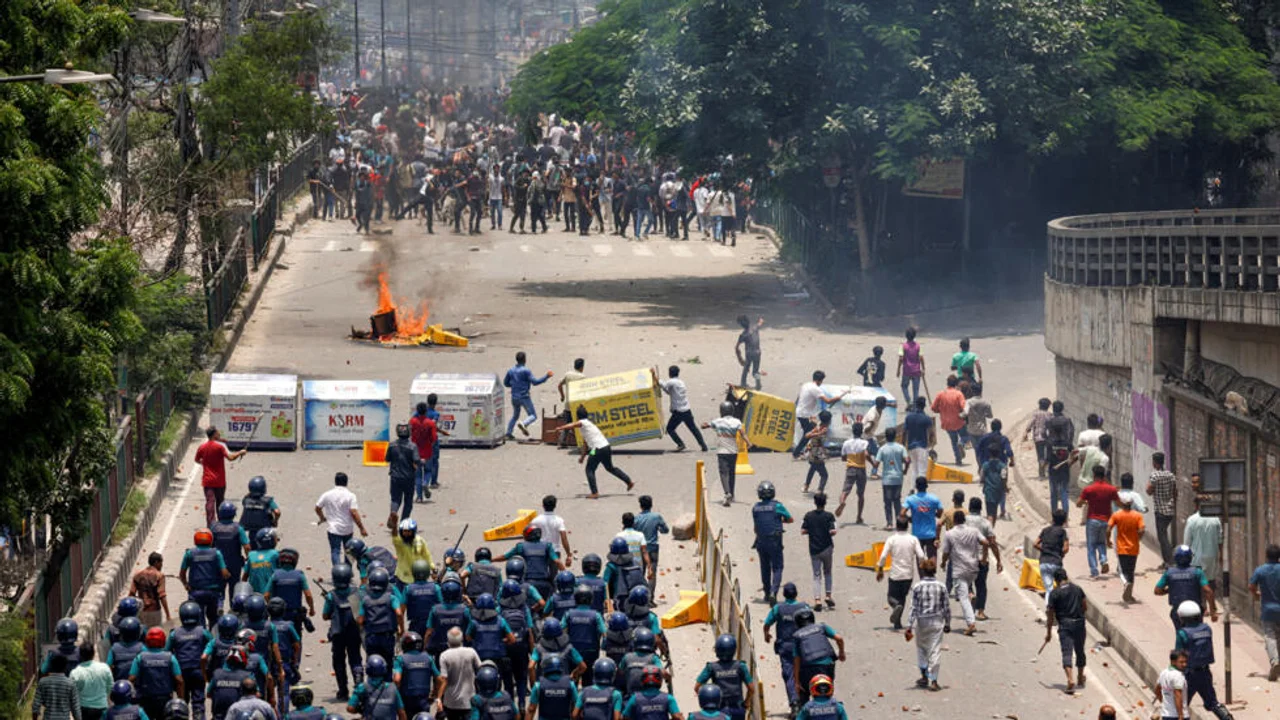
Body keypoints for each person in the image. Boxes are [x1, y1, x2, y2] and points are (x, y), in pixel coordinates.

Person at [558, 406, 634, 498]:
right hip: (606, 447)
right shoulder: (588, 425)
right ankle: (629, 482)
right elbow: (586, 444)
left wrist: (561, 427)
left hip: (596, 449)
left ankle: (594, 493)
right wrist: (582, 457)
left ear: (577, 416)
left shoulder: (583, 422)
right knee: (610, 468)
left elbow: (573, 425)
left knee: (589, 469)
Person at [1175, 601, 1234, 719]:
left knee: (1180, 705)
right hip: (1205, 673)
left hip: (1189, 675)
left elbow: (1178, 657)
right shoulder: (1207, 629)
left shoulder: (1182, 634)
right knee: (1212, 702)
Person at [939, 510, 989, 636]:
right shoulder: (974, 531)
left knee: (963, 598)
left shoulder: (950, 534)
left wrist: (943, 563)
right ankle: (972, 597)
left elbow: (945, 552)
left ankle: (971, 623)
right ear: (964, 520)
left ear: (954, 521)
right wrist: (984, 558)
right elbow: (986, 542)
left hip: (959, 570)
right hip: (973, 568)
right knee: (967, 591)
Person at [903, 559, 947, 691]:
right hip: (937, 621)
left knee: (922, 648)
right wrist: (948, 622)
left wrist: (909, 626)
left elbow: (913, 608)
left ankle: (923, 676)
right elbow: (946, 607)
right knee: (935, 650)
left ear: (922, 571)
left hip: (922, 622)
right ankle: (933, 680)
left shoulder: (917, 587)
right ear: (934, 571)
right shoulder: (941, 586)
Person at [762, 584, 807, 708]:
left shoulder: (778, 608)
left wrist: (766, 634)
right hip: (803, 647)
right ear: (796, 594)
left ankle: (794, 703)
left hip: (786, 648)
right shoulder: (804, 607)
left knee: (789, 675)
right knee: (802, 673)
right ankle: (804, 702)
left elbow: (767, 624)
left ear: (784, 595)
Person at [1044, 567, 1088, 693]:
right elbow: (1085, 606)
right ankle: (1080, 677)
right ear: (1066, 577)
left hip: (1065, 625)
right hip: (1079, 623)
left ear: (1056, 580)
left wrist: (1048, 633)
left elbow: (1050, 613)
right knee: (1080, 650)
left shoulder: (1054, 593)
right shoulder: (1077, 589)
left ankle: (1070, 679)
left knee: (1067, 652)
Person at [323, 564, 363, 702]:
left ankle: (343, 691)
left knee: (339, 662)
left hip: (337, 634)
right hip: (354, 632)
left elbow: (325, 616)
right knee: (356, 658)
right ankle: (359, 684)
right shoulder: (355, 593)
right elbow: (359, 615)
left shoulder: (331, 596)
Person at [876, 517, 924, 630]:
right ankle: (897, 623)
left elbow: (883, 556)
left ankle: (895, 607)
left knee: (891, 597)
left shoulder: (891, 539)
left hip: (895, 574)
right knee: (902, 598)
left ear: (896, 526)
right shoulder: (913, 539)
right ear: (908, 526)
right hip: (908, 575)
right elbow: (921, 555)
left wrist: (880, 570)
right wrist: (922, 565)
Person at [790, 607, 845, 707]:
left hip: (808, 670)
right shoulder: (821, 627)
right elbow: (839, 638)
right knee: (825, 690)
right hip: (827, 667)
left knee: (804, 694)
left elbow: (796, 660)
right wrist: (841, 653)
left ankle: (804, 712)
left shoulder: (797, 636)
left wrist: (797, 683)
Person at [693, 635, 753, 720]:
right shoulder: (741, 666)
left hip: (719, 711)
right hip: (738, 709)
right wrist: (746, 702)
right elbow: (751, 689)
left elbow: (697, 687)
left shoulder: (711, 667)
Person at [314, 472, 368, 566]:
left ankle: (338, 572)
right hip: (347, 529)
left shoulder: (327, 494)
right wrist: (361, 528)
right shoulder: (351, 496)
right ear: (346, 482)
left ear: (335, 482)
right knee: (349, 551)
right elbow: (354, 513)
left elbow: (317, 508)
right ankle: (347, 572)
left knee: (335, 551)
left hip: (333, 529)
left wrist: (322, 518)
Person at [196, 427, 246, 527]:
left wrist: (205, 464)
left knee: (210, 502)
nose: (219, 434)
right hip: (220, 481)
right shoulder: (220, 446)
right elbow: (230, 457)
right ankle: (221, 523)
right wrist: (240, 452)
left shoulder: (202, 447)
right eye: (218, 433)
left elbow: (197, 460)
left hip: (207, 480)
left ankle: (210, 524)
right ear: (214, 434)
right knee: (220, 502)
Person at [752, 482, 793, 605]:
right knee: (777, 567)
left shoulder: (755, 508)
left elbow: (756, 527)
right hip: (774, 541)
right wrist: (781, 520)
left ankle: (766, 592)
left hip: (761, 541)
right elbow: (790, 519)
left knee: (765, 567)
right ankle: (773, 592)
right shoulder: (777, 506)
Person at [129, 628, 183, 719]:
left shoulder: (140, 657)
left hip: (145, 699)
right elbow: (179, 680)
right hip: (165, 699)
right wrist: (181, 699)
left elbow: (131, 679)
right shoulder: (170, 657)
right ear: (163, 641)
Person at [1156, 545, 1215, 629]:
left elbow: (1157, 591)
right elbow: (1208, 591)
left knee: (1181, 635)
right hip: (1195, 611)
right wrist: (1213, 611)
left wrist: (1168, 590)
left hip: (1178, 612)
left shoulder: (1169, 573)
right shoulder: (1197, 572)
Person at [180, 529, 230, 627]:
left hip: (195, 592)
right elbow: (224, 573)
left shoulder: (189, 553)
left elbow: (182, 574)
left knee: (198, 620)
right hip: (213, 592)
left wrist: (186, 585)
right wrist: (228, 575)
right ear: (210, 540)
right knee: (214, 620)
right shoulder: (217, 553)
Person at [166, 603, 208, 717]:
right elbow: (212, 646)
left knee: (182, 703)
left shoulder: (174, 634)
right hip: (198, 671)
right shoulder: (202, 632)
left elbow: (167, 652)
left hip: (181, 672)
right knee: (198, 702)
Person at [1076, 465, 1119, 577]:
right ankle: (1103, 560)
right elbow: (1118, 503)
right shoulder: (1111, 489)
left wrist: (1085, 502)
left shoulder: (1089, 489)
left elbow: (1078, 503)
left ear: (1094, 475)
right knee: (1102, 543)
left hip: (1092, 520)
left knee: (1091, 546)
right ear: (1104, 475)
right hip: (1106, 520)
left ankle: (1094, 571)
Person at [1184, 496, 1223, 618]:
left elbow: (1187, 542)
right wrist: (1220, 555)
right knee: (1210, 581)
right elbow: (1220, 539)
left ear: (1196, 506)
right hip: (1211, 555)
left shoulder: (1192, 520)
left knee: (1198, 583)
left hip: (1196, 557)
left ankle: (1203, 607)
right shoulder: (1216, 520)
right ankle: (1212, 606)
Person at [792, 372, 847, 459]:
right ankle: (798, 452)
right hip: (805, 414)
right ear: (820, 381)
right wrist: (836, 398)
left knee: (811, 430)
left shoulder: (806, 385)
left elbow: (799, 397)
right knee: (810, 433)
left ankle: (805, 450)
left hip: (801, 411)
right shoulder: (816, 389)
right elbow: (827, 401)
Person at [703, 402, 747, 506]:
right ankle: (732, 493)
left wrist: (705, 425)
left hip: (722, 452)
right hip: (733, 451)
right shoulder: (737, 421)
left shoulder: (718, 421)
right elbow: (743, 433)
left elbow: (706, 426)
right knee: (732, 473)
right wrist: (749, 443)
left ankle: (727, 493)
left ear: (721, 411)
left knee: (723, 473)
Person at [656, 366, 708, 453]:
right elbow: (669, 392)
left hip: (679, 411)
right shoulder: (681, 382)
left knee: (670, 429)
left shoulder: (671, 382)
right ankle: (703, 445)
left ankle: (680, 444)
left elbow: (664, 385)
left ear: (670, 373)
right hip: (687, 410)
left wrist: (657, 378)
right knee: (693, 428)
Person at [1248, 543, 1280, 681]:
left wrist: (1256, 594)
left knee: (1270, 636)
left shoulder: (1260, 570)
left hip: (1268, 610)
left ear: (1266, 556)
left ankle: (1275, 661)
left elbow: (1251, 586)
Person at [800, 493, 837, 610]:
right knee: (828, 572)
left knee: (816, 575)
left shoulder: (808, 516)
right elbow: (833, 531)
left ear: (815, 502)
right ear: (825, 503)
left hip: (814, 549)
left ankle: (817, 599)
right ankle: (828, 595)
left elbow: (803, 530)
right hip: (827, 548)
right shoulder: (829, 516)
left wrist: (812, 531)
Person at [210, 502, 250, 607]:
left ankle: (219, 606)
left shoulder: (214, 527)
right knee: (234, 588)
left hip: (218, 564)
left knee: (219, 588)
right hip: (235, 563)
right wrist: (248, 558)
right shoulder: (238, 528)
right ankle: (234, 609)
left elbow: (209, 545)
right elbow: (246, 546)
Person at [504, 352, 552, 440]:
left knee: (515, 415)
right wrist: (546, 377)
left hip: (514, 397)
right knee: (533, 415)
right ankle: (524, 424)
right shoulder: (526, 371)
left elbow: (506, 383)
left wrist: (515, 385)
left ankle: (508, 432)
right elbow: (535, 382)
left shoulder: (511, 370)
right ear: (525, 360)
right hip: (524, 396)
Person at [437, 628, 481, 720]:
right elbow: (480, 670)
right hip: (469, 700)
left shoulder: (444, 655)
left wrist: (439, 698)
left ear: (448, 640)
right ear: (461, 639)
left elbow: (444, 680)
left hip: (450, 702)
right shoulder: (471, 652)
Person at [1109, 493, 1145, 603]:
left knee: (1122, 570)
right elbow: (1142, 530)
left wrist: (1107, 540)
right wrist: (1138, 539)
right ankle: (1129, 595)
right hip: (1133, 548)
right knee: (1131, 570)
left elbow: (1108, 529)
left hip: (1121, 548)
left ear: (1122, 503)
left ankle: (1125, 583)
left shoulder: (1117, 515)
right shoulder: (1138, 516)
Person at [393, 632, 439, 719]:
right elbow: (439, 678)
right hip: (423, 699)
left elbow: (397, 680)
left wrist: (396, 696)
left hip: (407, 700)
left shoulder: (400, 659)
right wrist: (436, 693)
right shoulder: (428, 658)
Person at [347, 654, 405, 720]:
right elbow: (402, 713)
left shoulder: (362, 687)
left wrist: (361, 710)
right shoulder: (393, 688)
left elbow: (350, 708)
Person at [385, 424, 421, 530]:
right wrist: (421, 462)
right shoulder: (412, 446)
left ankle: (393, 512)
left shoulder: (392, 445)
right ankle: (403, 522)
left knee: (395, 499)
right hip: (409, 478)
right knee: (408, 501)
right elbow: (416, 460)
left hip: (395, 477)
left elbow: (387, 459)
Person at [1146, 452, 1178, 567]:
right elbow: (1175, 493)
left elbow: (1148, 491)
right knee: (1164, 535)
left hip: (1160, 511)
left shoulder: (1154, 476)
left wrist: (1151, 486)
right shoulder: (1171, 475)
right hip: (1170, 510)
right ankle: (1167, 561)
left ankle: (1169, 561)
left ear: (1155, 462)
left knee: (1162, 537)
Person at [633, 496, 669, 596]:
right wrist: (659, 529)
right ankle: (650, 598)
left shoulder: (636, 518)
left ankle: (640, 596)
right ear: (651, 505)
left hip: (641, 549)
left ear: (640, 506)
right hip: (653, 549)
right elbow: (666, 530)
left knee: (641, 573)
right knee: (652, 574)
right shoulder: (657, 517)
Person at [873, 428, 908, 530]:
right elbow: (907, 460)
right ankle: (899, 523)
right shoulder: (901, 448)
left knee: (887, 502)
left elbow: (876, 464)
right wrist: (905, 470)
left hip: (887, 479)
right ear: (895, 436)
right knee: (897, 501)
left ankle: (889, 524)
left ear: (886, 436)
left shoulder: (882, 449)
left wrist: (873, 464)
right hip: (898, 478)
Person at [1035, 509, 1071, 607]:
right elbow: (1066, 548)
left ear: (1053, 519)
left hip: (1043, 562)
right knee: (1062, 588)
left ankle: (1049, 609)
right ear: (1064, 521)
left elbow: (1035, 544)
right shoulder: (1063, 532)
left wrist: (1044, 550)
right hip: (1056, 562)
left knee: (1049, 588)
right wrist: (1060, 554)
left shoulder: (1045, 530)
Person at [835, 422, 868, 522]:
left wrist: (850, 458)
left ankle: (842, 501)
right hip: (861, 469)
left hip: (850, 468)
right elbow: (866, 454)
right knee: (861, 495)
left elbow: (843, 458)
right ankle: (859, 516)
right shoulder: (864, 443)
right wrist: (873, 462)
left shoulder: (846, 443)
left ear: (852, 431)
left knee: (845, 490)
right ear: (861, 431)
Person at [931, 377, 968, 465]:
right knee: (966, 436)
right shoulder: (959, 394)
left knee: (953, 441)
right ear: (956, 384)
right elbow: (964, 407)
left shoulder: (941, 394)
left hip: (946, 422)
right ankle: (962, 443)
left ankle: (958, 459)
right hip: (958, 421)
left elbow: (933, 408)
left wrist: (940, 410)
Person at [902, 477, 942, 558]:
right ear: (926, 486)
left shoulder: (910, 499)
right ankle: (931, 571)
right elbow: (940, 512)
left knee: (919, 559)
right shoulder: (934, 499)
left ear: (916, 487)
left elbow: (902, 513)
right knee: (932, 558)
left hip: (917, 534)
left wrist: (910, 519)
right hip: (931, 534)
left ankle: (921, 571)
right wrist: (935, 514)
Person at [70, 644, 113, 720]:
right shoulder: (104, 668)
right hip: (102, 707)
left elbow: (72, 694)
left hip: (83, 709)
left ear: (80, 655)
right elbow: (110, 686)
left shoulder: (75, 673)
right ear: (93, 653)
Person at [530, 495, 574, 565]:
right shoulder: (559, 520)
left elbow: (529, 536)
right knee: (553, 575)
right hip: (555, 552)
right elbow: (564, 538)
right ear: (555, 506)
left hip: (540, 551)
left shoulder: (536, 520)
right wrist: (568, 554)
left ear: (543, 506)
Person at [409, 403, 440, 502]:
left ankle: (419, 497)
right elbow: (434, 438)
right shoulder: (430, 423)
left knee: (417, 474)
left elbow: (408, 434)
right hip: (427, 452)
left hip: (415, 452)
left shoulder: (413, 421)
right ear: (426, 411)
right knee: (428, 470)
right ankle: (426, 482)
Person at [240, 476, 280, 551]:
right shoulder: (267, 501)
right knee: (268, 549)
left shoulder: (246, 500)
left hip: (252, 531)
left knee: (253, 549)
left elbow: (245, 499)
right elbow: (277, 512)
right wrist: (275, 521)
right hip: (265, 531)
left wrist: (251, 493)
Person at [392, 519, 435, 588]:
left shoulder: (420, 541)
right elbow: (395, 538)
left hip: (418, 577)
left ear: (413, 531)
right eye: (404, 531)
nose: (406, 534)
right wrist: (394, 526)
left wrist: (433, 568)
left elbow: (426, 555)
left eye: (409, 531)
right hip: (403, 577)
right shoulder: (400, 543)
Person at [902, 397, 935, 482]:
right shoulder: (927, 419)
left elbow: (904, 432)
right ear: (924, 406)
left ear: (915, 405)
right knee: (922, 470)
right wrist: (931, 445)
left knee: (914, 469)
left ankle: (912, 489)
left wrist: (903, 445)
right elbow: (932, 433)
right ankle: (921, 490)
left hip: (911, 446)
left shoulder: (909, 417)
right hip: (922, 446)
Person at [801, 411, 831, 494]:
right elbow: (809, 436)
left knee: (812, 469)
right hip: (817, 454)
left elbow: (808, 434)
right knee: (824, 475)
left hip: (812, 452)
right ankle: (820, 490)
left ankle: (806, 486)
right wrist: (819, 433)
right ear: (828, 421)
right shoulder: (823, 429)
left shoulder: (818, 426)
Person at [1023, 398, 1053, 478]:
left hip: (1037, 437)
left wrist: (1026, 432)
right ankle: (1045, 469)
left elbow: (1030, 424)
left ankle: (1041, 473)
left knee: (1040, 455)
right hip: (1047, 437)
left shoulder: (1036, 414)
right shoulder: (1049, 415)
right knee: (1047, 454)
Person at [978, 447, 1007, 529]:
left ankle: (990, 534)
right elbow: (1004, 477)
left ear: (989, 454)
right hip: (998, 492)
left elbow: (982, 477)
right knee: (994, 513)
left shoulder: (985, 465)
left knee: (990, 514)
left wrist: (982, 482)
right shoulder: (1003, 466)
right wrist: (1005, 488)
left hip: (989, 491)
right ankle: (991, 533)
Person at [1156, 650, 1189, 720]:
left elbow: (1157, 690)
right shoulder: (1178, 675)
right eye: (1181, 662)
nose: (1184, 664)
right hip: (1177, 716)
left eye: (1185, 662)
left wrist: (1163, 702)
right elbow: (1177, 695)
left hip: (1166, 715)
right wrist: (1180, 715)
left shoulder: (1164, 673)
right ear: (1173, 662)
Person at [896, 328, 925, 406]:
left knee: (904, 386)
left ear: (906, 336)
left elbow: (901, 358)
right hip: (916, 370)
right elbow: (921, 357)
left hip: (907, 370)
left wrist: (898, 370)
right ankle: (915, 405)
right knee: (915, 389)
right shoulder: (918, 346)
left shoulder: (903, 346)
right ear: (914, 336)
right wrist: (923, 368)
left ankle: (909, 401)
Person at [961, 383, 992, 455]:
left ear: (972, 392)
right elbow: (990, 416)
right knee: (983, 449)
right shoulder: (986, 403)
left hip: (971, 430)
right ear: (980, 391)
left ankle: (979, 465)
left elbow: (965, 413)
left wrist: (960, 415)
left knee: (976, 450)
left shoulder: (968, 402)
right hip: (982, 429)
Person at [735, 316, 764, 390]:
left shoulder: (743, 335)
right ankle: (758, 384)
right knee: (755, 371)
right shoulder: (755, 328)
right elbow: (760, 323)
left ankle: (743, 383)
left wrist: (740, 358)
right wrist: (760, 319)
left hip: (749, 354)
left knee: (746, 369)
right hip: (758, 353)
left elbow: (737, 347)